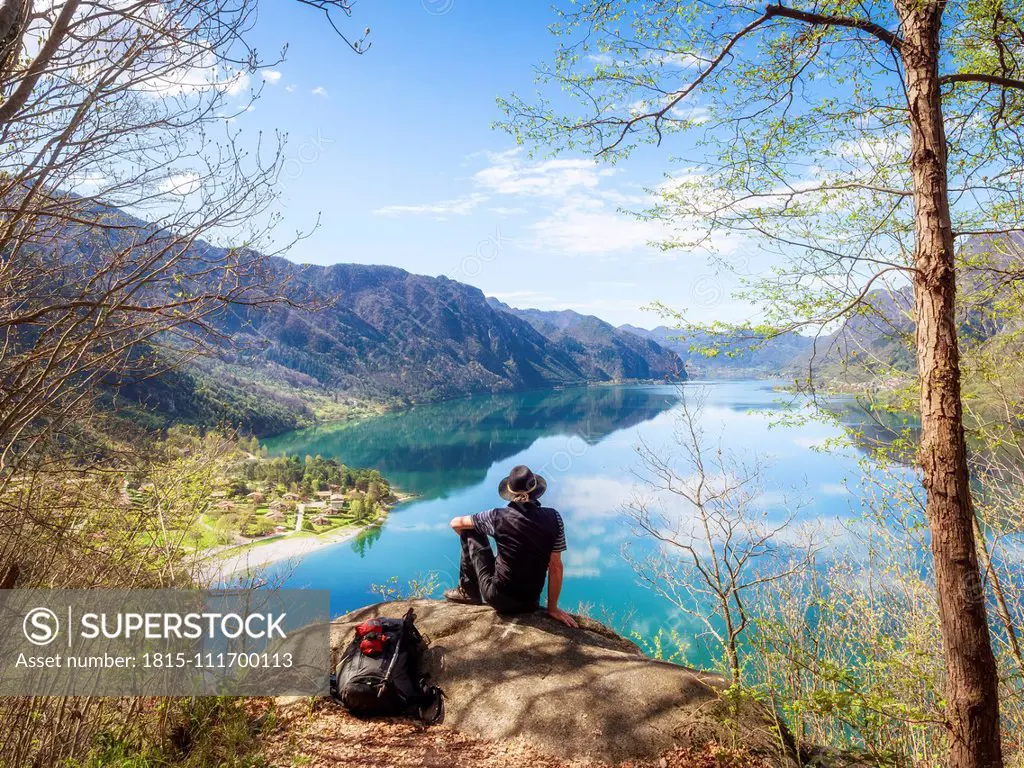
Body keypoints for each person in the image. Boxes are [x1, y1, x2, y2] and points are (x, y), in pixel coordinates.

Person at [444, 465, 578, 628]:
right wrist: (552, 609)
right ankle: (470, 591)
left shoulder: (496, 516)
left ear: (510, 493)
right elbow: (556, 566)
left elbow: (455, 523)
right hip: (530, 602)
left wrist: (478, 552)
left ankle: (468, 592)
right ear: (535, 491)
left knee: (469, 531)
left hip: (499, 598)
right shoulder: (554, 518)